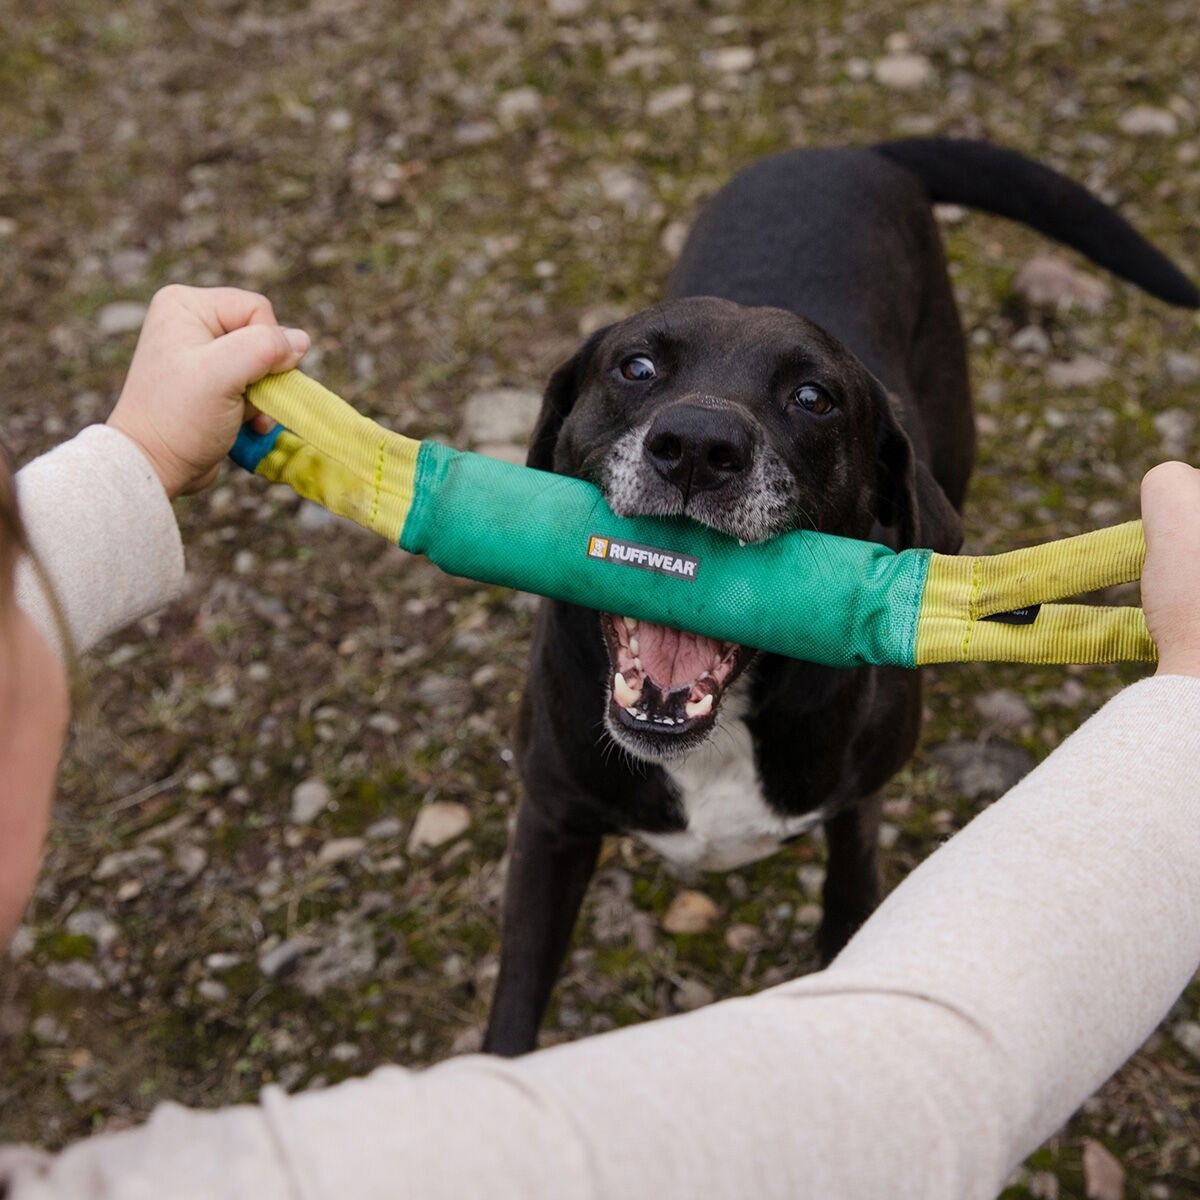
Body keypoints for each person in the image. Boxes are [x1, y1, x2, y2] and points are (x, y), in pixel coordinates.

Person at [2, 285, 1199, 1199]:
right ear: (557, 452)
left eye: (809, 401)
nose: (696, 431)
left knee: (854, 793)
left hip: (837, 708)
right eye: (640, 376)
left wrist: (137, 460)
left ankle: (847, 850)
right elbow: (911, 1083)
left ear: (884, 507)